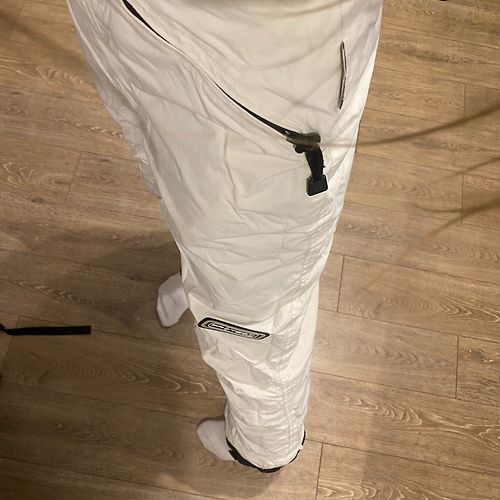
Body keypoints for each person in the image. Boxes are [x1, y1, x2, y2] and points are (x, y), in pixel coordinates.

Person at [66, 0, 384, 473]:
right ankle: (202, 279)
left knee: (257, 311)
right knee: (188, 190)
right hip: (141, 32)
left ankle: (263, 447)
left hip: (258, 80)